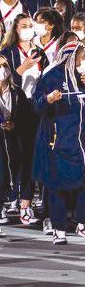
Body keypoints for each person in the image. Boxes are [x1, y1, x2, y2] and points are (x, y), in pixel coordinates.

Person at [32, 43, 85, 245]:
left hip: (84, 140)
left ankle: (84, 223)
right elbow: (36, 106)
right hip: (60, 139)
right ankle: (59, 229)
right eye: (81, 58)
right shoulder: (51, 76)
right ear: (70, 58)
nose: (84, 62)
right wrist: (48, 99)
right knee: (58, 186)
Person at [0, 55, 40, 232]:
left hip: (17, 139)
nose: (2, 70)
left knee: (25, 171)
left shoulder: (17, 93)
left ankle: (25, 208)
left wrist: (14, 124)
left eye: (5, 66)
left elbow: (26, 118)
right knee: (2, 174)